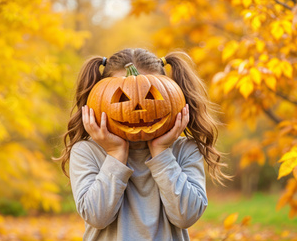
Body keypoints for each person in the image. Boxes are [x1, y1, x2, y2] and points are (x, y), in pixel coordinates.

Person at [59, 48, 229, 240]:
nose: (139, 109)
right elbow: (97, 217)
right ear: (98, 100)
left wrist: (162, 152)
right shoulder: (87, 151)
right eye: (122, 98)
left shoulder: (184, 149)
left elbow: (186, 216)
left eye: (151, 96)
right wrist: (115, 153)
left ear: (173, 96)